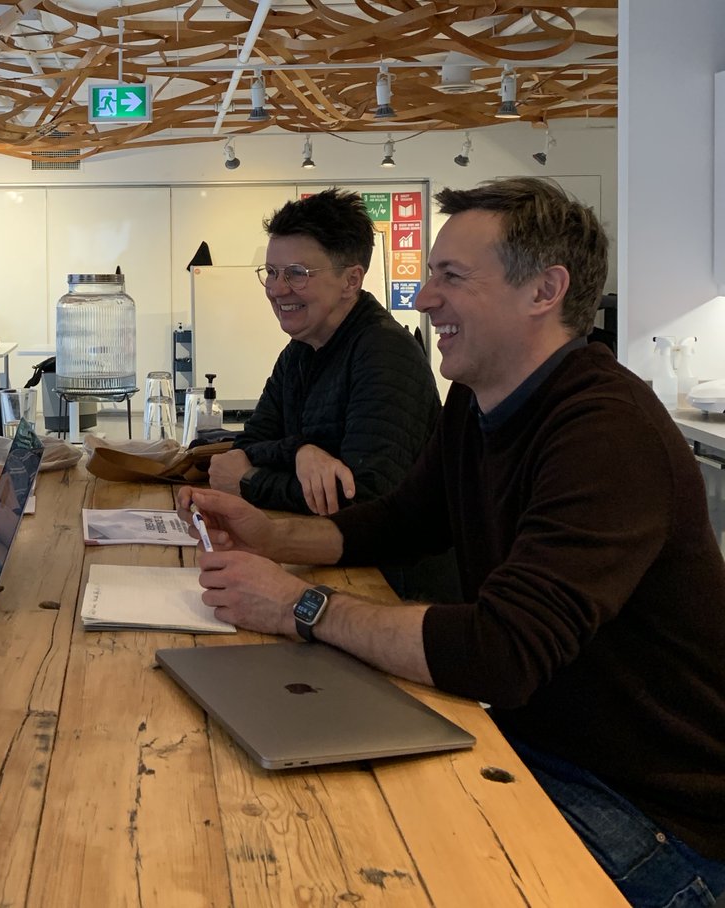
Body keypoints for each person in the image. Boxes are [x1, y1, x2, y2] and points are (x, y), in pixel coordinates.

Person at [178, 177, 725, 906]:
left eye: (451, 277)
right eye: (431, 273)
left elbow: (503, 652)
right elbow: (400, 520)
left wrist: (299, 608)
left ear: (545, 291)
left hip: (654, 820)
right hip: (540, 753)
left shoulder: (606, 431)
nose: (424, 298)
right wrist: (270, 531)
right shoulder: (477, 398)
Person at [208, 189, 440, 518]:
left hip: (385, 568)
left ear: (351, 280)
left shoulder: (385, 354)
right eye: (271, 272)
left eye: (297, 273)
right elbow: (246, 447)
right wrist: (300, 452)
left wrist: (249, 481)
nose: (276, 289)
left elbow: (362, 499)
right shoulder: (298, 352)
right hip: (322, 554)